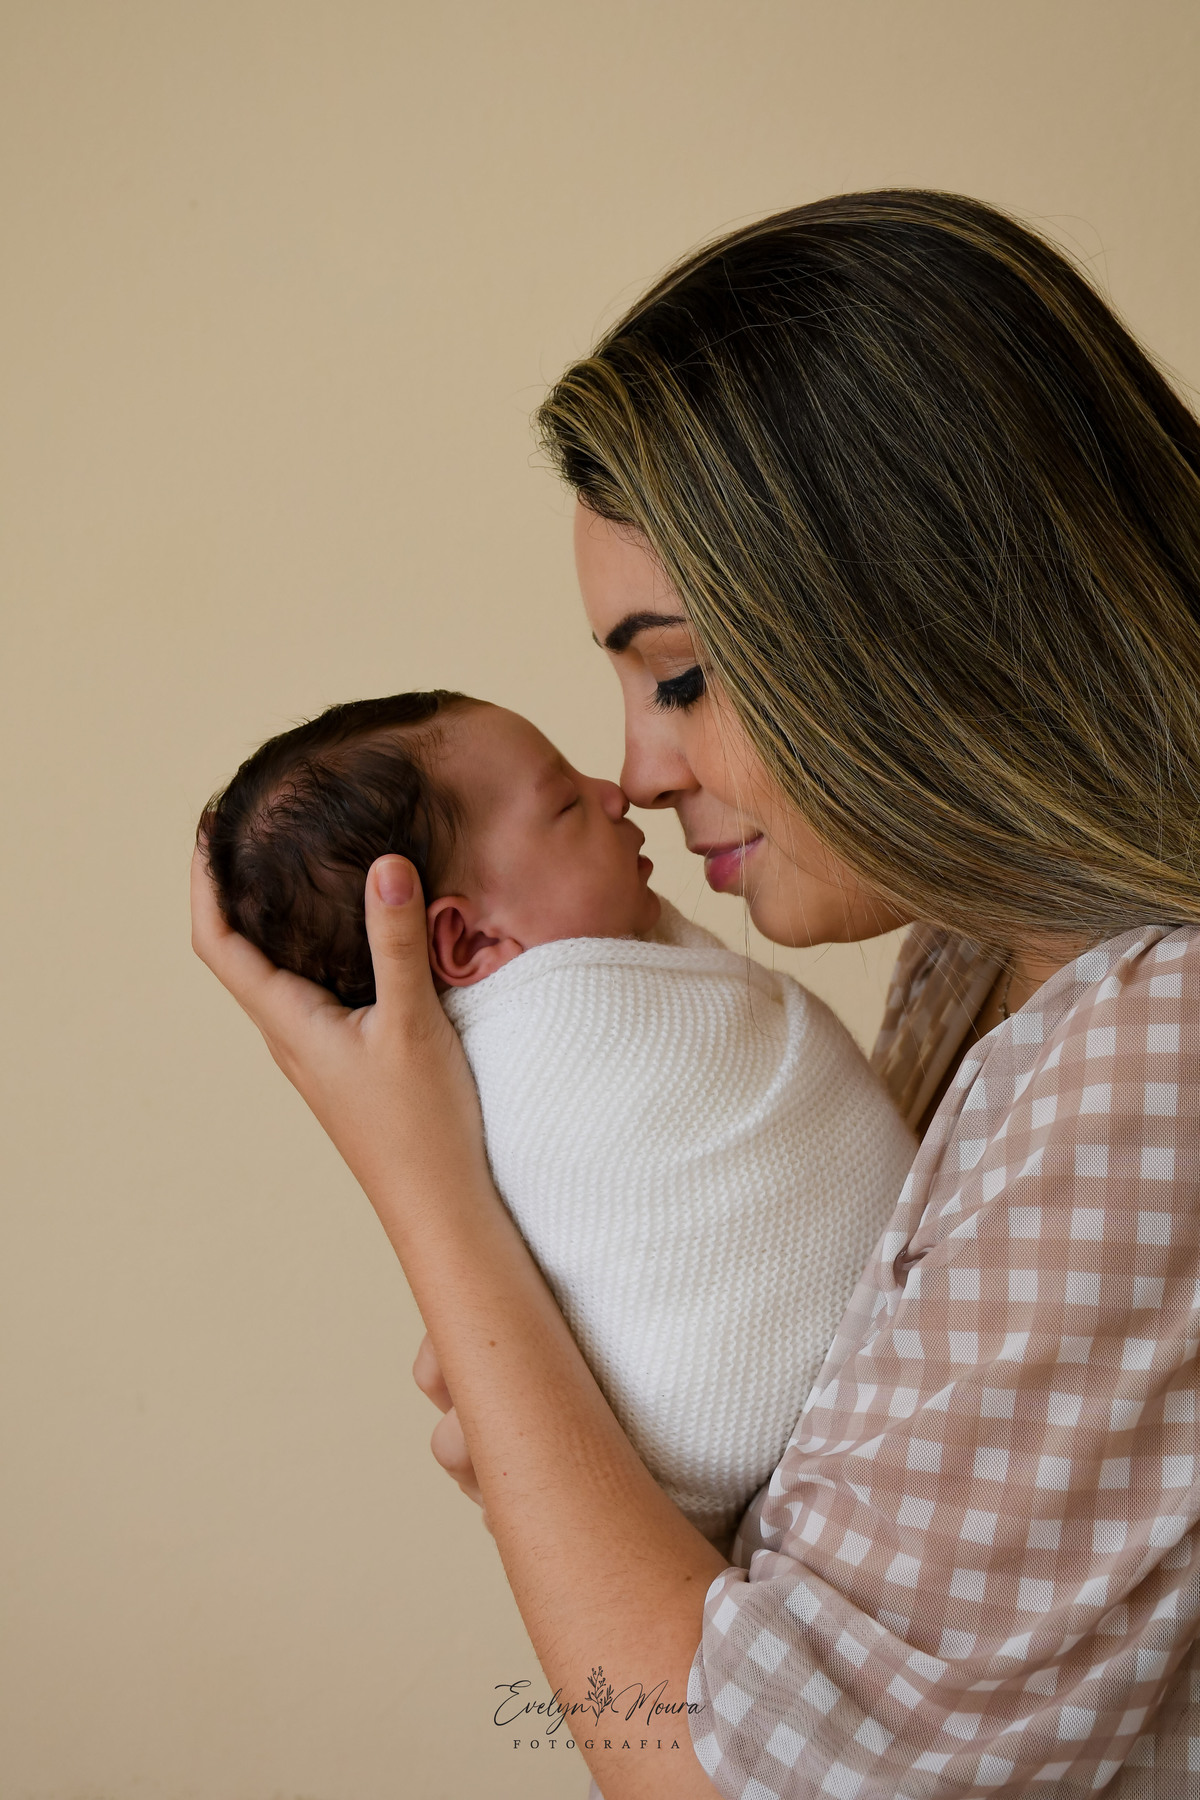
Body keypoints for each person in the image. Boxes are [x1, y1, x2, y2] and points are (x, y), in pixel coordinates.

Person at [191, 189, 1200, 1797]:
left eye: (679, 675)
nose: (641, 771)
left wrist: (427, 1195)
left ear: (917, 608)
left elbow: (744, 1777)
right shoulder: (976, 968)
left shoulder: (1159, 1059)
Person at [200, 689, 915, 1543]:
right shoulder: (560, 1047)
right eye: (567, 803)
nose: (616, 793)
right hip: (729, 1448)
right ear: (467, 942)